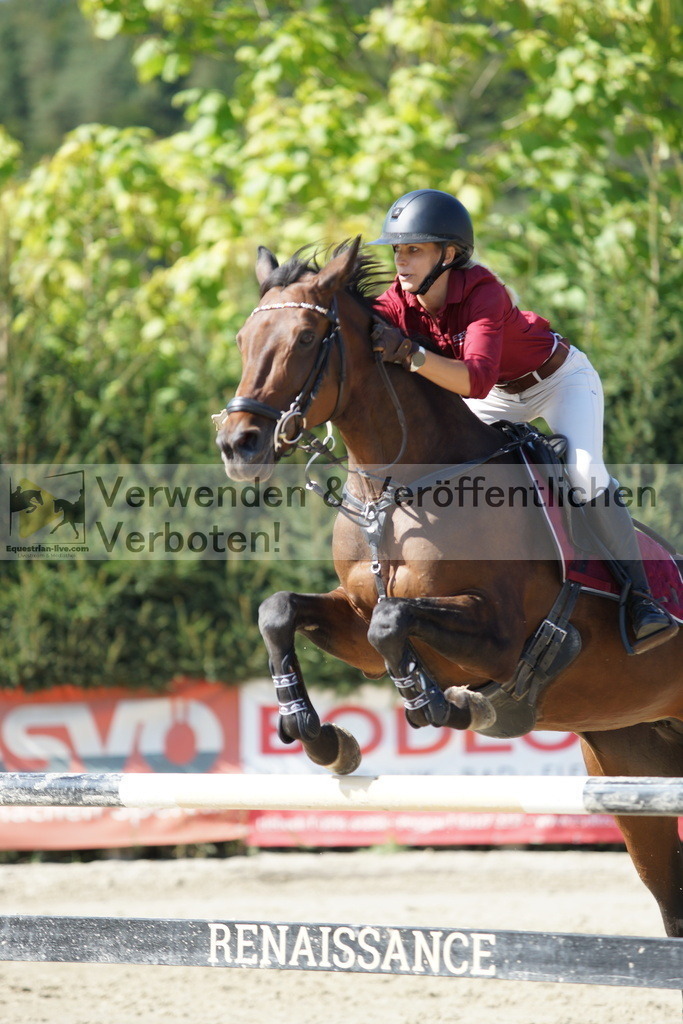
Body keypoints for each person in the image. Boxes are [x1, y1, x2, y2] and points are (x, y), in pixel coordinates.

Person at [369, 188, 676, 653]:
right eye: (398, 250)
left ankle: (643, 601)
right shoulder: (398, 300)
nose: (402, 261)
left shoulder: (483, 291)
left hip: (557, 381)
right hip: (499, 394)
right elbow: (360, 327)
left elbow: (472, 379)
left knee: (583, 473)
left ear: (449, 255)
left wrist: (411, 354)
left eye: (414, 249)